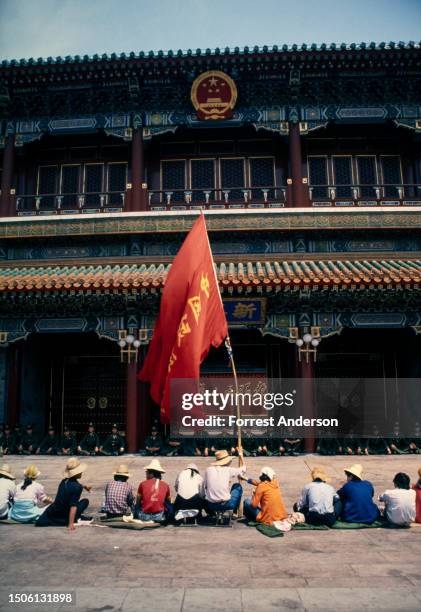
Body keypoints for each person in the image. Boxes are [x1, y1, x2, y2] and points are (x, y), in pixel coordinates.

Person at [36, 458, 91, 529]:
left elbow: (73, 484)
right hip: (65, 514)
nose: (81, 473)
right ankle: (72, 519)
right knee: (85, 501)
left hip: (55, 512)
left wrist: (84, 486)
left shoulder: (64, 481)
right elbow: (73, 506)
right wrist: (71, 524)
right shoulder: (77, 487)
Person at [203, 449, 245, 515]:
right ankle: (234, 512)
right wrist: (241, 456)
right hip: (226, 504)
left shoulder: (208, 470)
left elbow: (205, 486)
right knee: (237, 486)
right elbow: (243, 469)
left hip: (211, 504)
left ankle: (214, 512)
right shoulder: (228, 470)